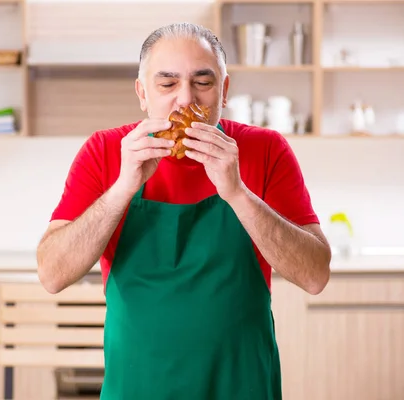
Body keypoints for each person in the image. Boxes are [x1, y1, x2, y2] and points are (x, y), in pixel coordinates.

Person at [36, 22, 332, 400]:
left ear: (224, 91)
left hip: (242, 384)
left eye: (202, 83)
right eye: (168, 83)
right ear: (143, 93)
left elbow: (314, 276)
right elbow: (52, 274)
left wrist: (238, 194)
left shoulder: (265, 150)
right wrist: (122, 189)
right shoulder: (106, 151)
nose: (185, 100)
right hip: (138, 384)